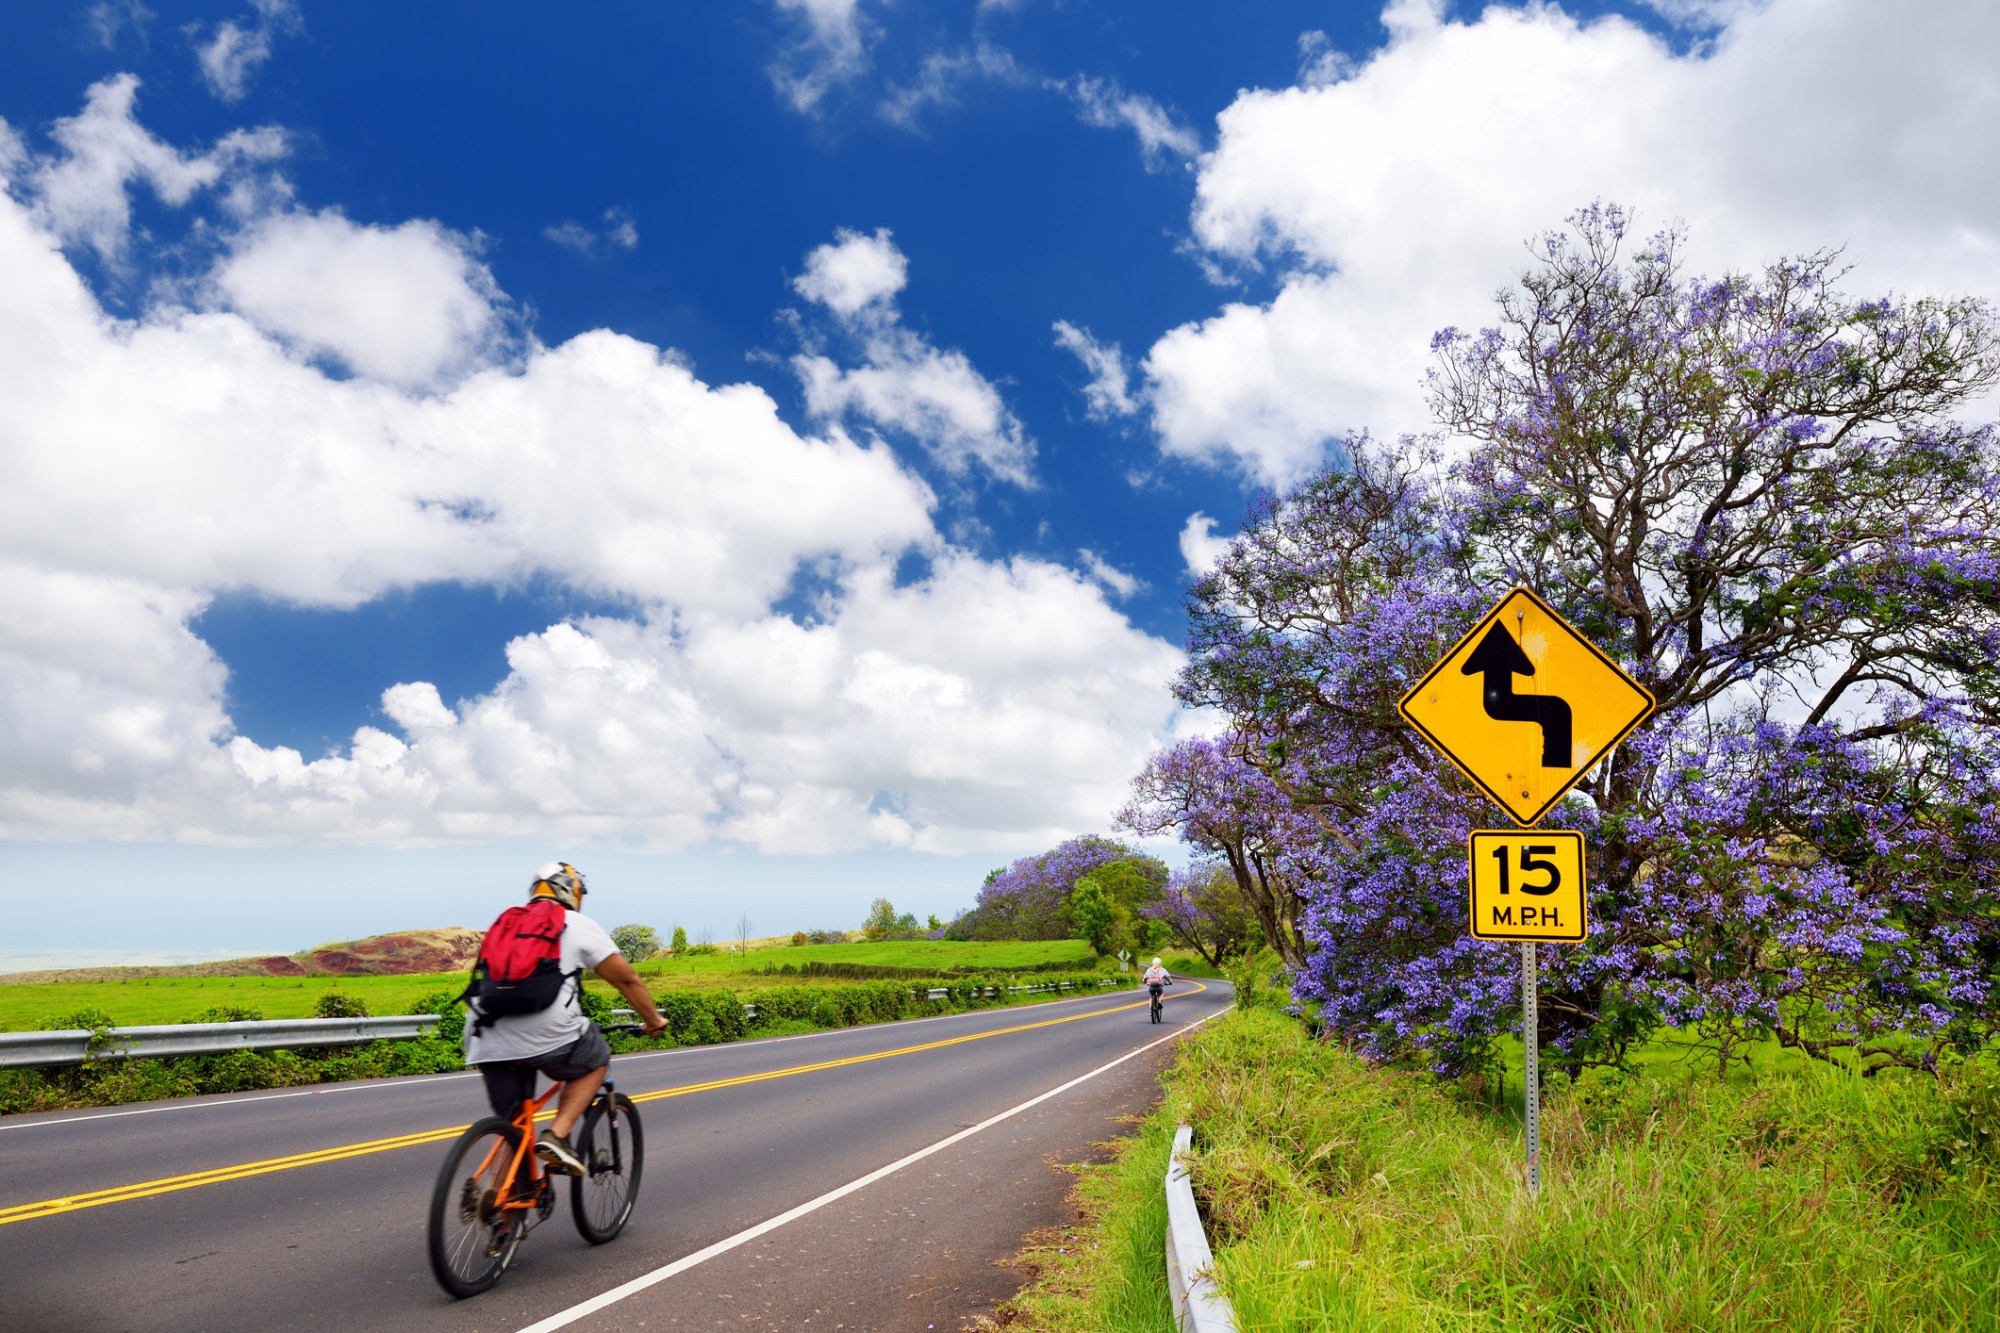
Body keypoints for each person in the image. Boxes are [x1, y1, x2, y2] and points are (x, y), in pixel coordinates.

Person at [463, 861, 668, 1176]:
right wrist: (652, 1020)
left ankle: (499, 1213)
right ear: (572, 891)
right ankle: (557, 1136)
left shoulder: (505, 924)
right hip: (549, 1034)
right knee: (595, 1058)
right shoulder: (575, 923)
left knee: (514, 1125)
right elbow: (627, 980)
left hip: (485, 1036)